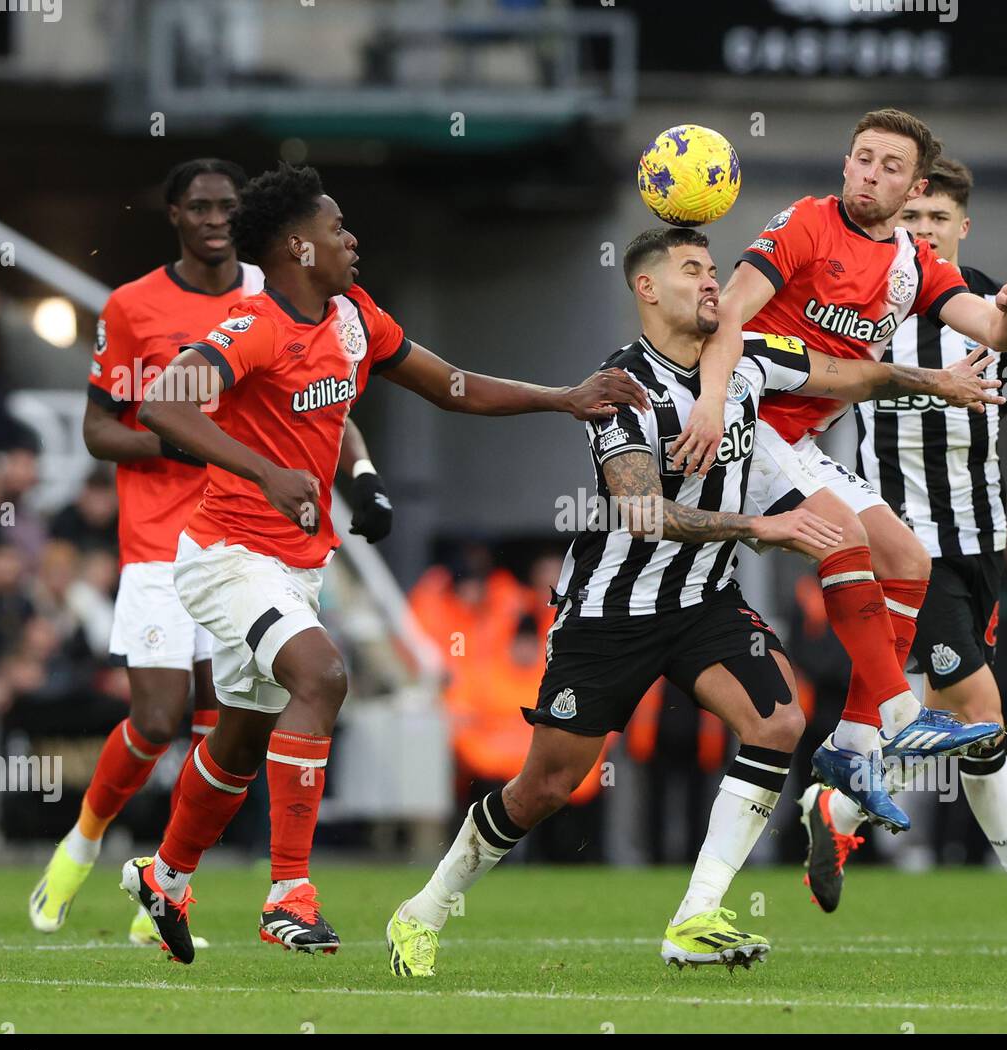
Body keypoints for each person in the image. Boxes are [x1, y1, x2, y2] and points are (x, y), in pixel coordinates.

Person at [386, 226, 1003, 978]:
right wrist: (759, 525)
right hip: (612, 611)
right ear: (645, 288)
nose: (712, 283)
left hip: (703, 600)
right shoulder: (619, 387)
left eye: (714, 270)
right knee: (546, 785)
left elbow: (846, 375)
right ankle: (425, 907)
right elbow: (642, 511)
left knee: (779, 721)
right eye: (691, 271)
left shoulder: (744, 358)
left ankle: (696, 914)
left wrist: (932, 381)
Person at [128, 162, 650, 964]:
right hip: (228, 553)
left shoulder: (354, 317)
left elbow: (453, 386)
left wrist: (565, 397)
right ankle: (288, 895)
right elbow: (163, 402)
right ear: (298, 246)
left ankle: (163, 876)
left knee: (239, 738)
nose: (352, 238)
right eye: (338, 228)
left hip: (296, 561)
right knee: (323, 675)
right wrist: (264, 471)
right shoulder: (253, 324)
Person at [29, 158, 397, 954]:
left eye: (227, 206)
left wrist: (358, 476)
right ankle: (85, 843)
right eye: (198, 206)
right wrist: (226, 450)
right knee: (166, 714)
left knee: (231, 728)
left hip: (269, 536)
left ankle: (164, 876)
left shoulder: (284, 300)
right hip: (179, 540)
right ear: (172, 215)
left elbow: (326, 405)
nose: (215, 219)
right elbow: (106, 425)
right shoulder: (135, 306)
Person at [668, 108, 1007, 826]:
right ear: (846, 164)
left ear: (913, 185)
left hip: (798, 441)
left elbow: (992, 327)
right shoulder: (806, 222)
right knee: (842, 535)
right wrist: (711, 402)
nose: (871, 173)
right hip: (747, 421)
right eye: (863, 158)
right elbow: (730, 316)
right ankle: (899, 714)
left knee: (906, 557)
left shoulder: (911, 265)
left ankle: (850, 745)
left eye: (889, 165)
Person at [798, 155, 1007, 964]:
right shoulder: (868, 302)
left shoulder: (1004, 309)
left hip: (980, 549)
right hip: (906, 549)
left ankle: (840, 804)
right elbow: (810, 393)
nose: (922, 230)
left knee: (969, 729)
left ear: (962, 227)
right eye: (913, 218)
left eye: (938, 220)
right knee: (980, 713)